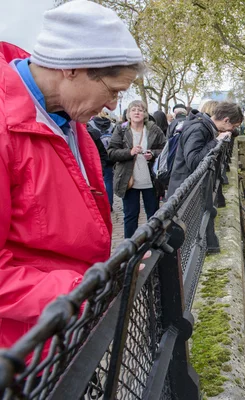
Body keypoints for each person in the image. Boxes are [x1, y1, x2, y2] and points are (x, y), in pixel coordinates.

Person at [0, 0, 143, 349]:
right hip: (26, 349)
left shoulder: (67, 115)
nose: (112, 106)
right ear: (73, 69)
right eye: (113, 91)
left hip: (61, 333)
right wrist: (88, 289)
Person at [108, 100, 165, 238]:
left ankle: (154, 244)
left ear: (145, 113)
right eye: (133, 110)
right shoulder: (121, 130)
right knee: (130, 216)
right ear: (128, 114)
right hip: (129, 180)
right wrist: (130, 152)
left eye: (140, 110)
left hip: (150, 180)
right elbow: (111, 152)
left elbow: (164, 149)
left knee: (153, 215)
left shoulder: (153, 129)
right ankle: (130, 249)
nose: (137, 112)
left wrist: (152, 154)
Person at [167, 102, 243, 198]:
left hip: (190, 190)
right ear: (226, 120)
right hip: (183, 193)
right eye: (234, 126)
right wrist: (216, 141)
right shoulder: (198, 129)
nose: (232, 130)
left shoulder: (205, 127)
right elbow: (193, 162)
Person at [87, 111, 115, 211]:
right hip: (109, 156)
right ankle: (109, 204)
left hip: (96, 158)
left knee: (96, 183)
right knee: (109, 181)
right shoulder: (111, 125)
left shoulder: (90, 125)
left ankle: (99, 205)